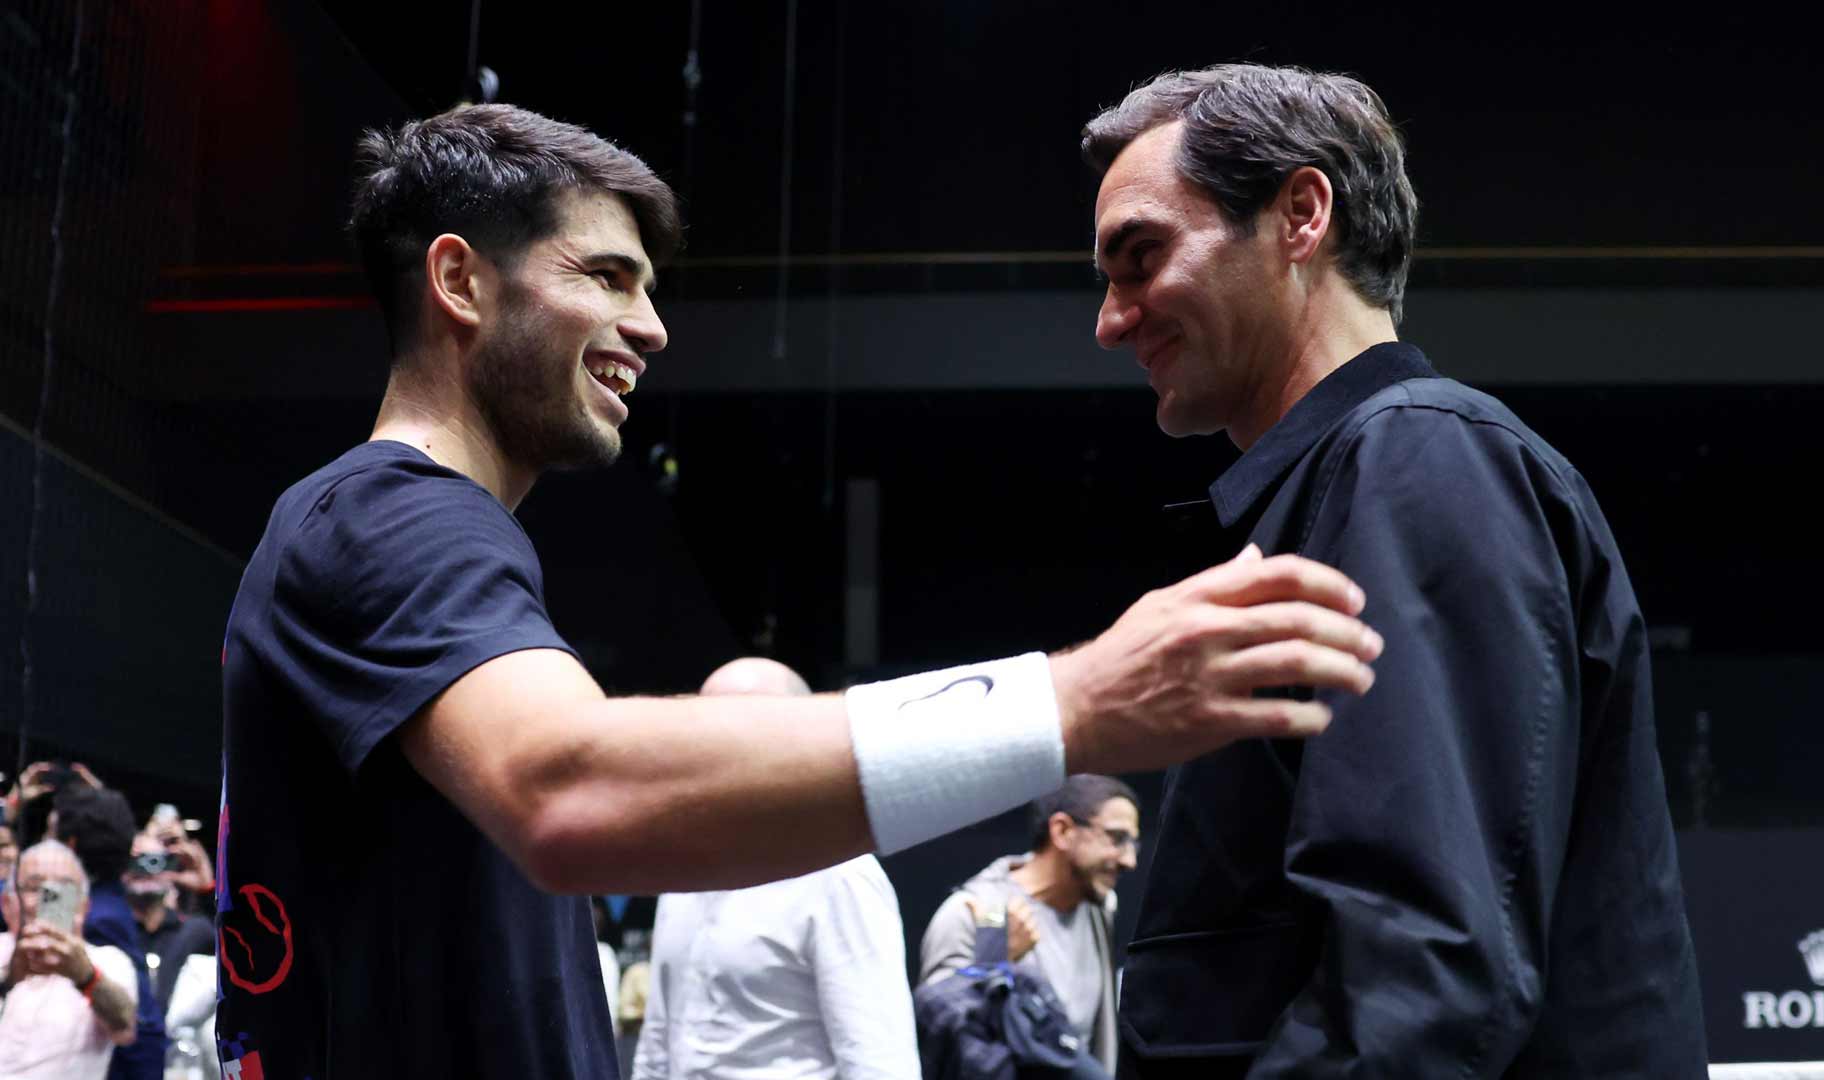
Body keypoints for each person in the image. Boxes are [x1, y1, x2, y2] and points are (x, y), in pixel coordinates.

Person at [214, 102, 1384, 1079]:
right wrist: (1077, 701)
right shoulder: (389, 515)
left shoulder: (404, 529)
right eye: (606, 276)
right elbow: (569, 794)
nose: (651, 327)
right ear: (459, 281)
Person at [1080, 64, 1708, 1076]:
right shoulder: (1368, 476)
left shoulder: (1416, 460)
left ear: (1301, 215)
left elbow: (1419, 979)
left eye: (1141, 256)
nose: (1112, 319)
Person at [637, 657, 919, 1079]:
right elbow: (658, 1047)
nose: (715, 744)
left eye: (742, 724)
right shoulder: (685, 871)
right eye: (702, 725)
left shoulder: (838, 875)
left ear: (796, 739)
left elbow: (880, 1064)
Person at [919, 775, 1139, 1073]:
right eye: (1116, 838)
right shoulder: (971, 913)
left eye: (1133, 844)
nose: (1129, 860)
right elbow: (939, 1038)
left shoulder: (1099, 906)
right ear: (1062, 831)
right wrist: (995, 960)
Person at [52, 787, 165, 1080]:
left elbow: (141, 1023)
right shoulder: (105, 902)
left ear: (70, 845)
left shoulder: (97, 919)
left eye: (51, 838)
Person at [0, 841, 139, 1076]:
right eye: (34, 887)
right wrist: (8, 979)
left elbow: (125, 1028)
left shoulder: (109, 961)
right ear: (7, 903)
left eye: (63, 890)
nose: (49, 898)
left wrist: (86, 977)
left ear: (84, 907)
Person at [125, 831, 215, 1013]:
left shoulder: (193, 931)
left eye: (155, 861)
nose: (146, 869)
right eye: (137, 860)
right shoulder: (108, 928)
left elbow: (232, 949)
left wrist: (206, 890)